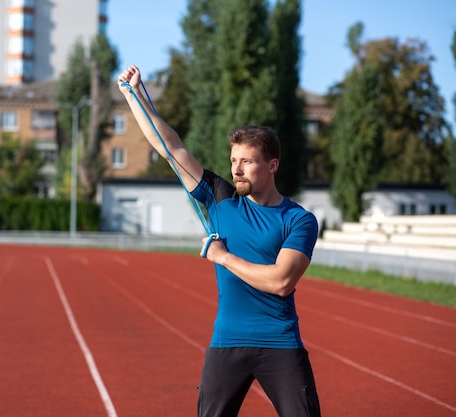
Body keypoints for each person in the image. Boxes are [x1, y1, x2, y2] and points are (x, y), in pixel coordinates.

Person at [117, 64, 322, 417]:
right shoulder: (220, 197)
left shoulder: (298, 220)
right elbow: (171, 148)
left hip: (280, 342)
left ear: (273, 165)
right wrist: (133, 95)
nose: (236, 170)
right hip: (227, 342)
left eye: (247, 162)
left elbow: (280, 282)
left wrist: (222, 256)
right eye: (233, 161)